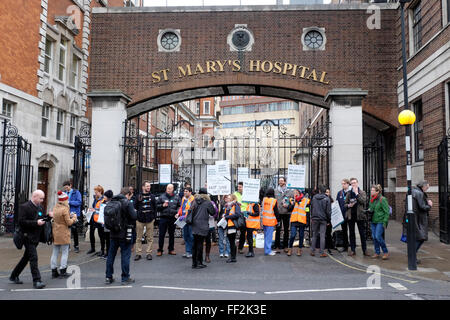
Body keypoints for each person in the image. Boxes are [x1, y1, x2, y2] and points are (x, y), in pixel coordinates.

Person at [10, 190, 49, 289]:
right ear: (35, 196)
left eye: (43, 198)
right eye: (41, 198)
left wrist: (48, 217)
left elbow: (43, 219)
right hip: (27, 237)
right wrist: (36, 223)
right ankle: (37, 280)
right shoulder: (25, 207)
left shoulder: (40, 207)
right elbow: (21, 222)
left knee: (26, 258)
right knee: (33, 258)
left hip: (36, 237)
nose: (42, 200)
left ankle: (14, 275)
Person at [105, 187, 137, 285]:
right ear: (127, 194)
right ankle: (125, 277)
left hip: (113, 233)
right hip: (124, 233)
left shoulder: (111, 201)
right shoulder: (127, 203)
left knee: (111, 255)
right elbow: (134, 217)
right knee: (125, 256)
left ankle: (108, 277)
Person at [50, 191, 77, 278]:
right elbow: (69, 223)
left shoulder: (55, 207)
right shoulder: (65, 209)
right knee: (65, 252)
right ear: (65, 200)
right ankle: (63, 270)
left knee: (55, 252)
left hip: (55, 231)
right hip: (64, 232)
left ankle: (54, 270)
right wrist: (74, 218)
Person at [189, 188, 215, 269]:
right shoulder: (207, 203)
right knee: (200, 244)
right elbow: (213, 212)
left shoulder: (194, 201)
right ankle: (199, 262)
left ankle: (194, 263)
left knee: (195, 244)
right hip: (203, 225)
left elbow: (190, 211)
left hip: (195, 224)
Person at [344, 178, 369, 257]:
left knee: (362, 233)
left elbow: (363, 201)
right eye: (352, 183)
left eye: (354, 183)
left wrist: (357, 194)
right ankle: (353, 250)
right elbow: (345, 204)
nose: (353, 184)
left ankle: (364, 250)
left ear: (357, 183)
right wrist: (348, 205)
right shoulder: (348, 193)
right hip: (351, 216)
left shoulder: (362, 192)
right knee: (351, 233)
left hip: (360, 216)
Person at [134, 181, 157, 261]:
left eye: (149, 186)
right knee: (139, 238)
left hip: (150, 219)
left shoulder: (152, 196)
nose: (149, 188)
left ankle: (149, 253)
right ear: (143, 187)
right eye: (147, 186)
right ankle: (138, 253)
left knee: (150, 238)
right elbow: (135, 206)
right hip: (140, 219)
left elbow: (155, 207)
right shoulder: (138, 196)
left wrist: (154, 217)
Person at [156, 184, 181, 256]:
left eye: (170, 188)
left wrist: (177, 212)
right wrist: (162, 206)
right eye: (167, 188)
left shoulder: (177, 197)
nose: (168, 190)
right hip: (163, 217)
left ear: (173, 189)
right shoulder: (162, 197)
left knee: (171, 234)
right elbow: (156, 207)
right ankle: (160, 250)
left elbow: (180, 206)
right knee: (161, 234)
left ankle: (171, 249)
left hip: (172, 218)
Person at [412, 181, 432, 259]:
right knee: (422, 237)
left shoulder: (412, 191)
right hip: (419, 219)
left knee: (416, 237)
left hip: (414, 218)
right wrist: (429, 205)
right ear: (423, 186)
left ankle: (413, 254)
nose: (427, 189)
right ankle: (413, 254)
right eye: (427, 187)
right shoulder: (419, 193)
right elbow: (422, 207)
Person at [368, 184, 390, 260]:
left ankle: (385, 252)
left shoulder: (382, 199)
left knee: (378, 236)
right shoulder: (372, 199)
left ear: (377, 191)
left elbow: (387, 212)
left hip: (380, 221)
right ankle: (377, 252)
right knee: (374, 237)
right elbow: (371, 208)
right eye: (371, 190)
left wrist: (385, 222)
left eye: (372, 190)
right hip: (373, 220)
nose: (371, 191)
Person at [310, 185, 331, 258]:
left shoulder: (314, 197)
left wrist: (312, 216)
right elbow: (328, 211)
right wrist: (329, 220)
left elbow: (312, 207)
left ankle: (312, 251)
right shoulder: (327, 199)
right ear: (325, 191)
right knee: (322, 235)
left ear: (319, 191)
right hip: (323, 219)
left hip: (315, 218)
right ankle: (322, 252)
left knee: (314, 234)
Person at [274, 177, 294, 252]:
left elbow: (293, 202)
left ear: (285, 182)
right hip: (278, 213)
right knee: (278, 229)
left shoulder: (290, 192)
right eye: (279, 181)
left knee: (286, 230)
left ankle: (286, 246)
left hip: (286, 212)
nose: (280, 182)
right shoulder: (275, 191)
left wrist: (288, 206)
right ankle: (277, 245)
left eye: (282, 181)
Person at [287, 189, 309, 257]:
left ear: (299, 193)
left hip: (302, 220)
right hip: (294, 220)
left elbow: (307, 211)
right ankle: (290, 248)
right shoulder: (292, 200)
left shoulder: (305, 201)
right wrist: (293, 203)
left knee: (301, 235)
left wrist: (307, 221)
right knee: (293, 235)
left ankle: (299, 249)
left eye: (296, 192)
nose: (295, 193)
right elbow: (289, 209)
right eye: (294, 192)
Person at [175, 186, 195, 259]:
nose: (185, 192)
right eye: (184, 191)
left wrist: (185, 216)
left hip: (189, 220)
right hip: (183, 220)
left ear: (190, 192)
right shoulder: (183, 198)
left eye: (186, 191)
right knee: (185, 236)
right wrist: (178, 213)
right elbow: (181, 207)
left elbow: (191, 210)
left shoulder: (193, 199)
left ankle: (192, 252)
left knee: (191, 236)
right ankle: (187, 251)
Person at [62, 181, 82, 253]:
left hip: (74, 214)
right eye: (65, 188)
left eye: (67, 187)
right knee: (66, 230)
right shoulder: (64, 193)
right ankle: (67, 246)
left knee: (74, 230)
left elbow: (79, 202)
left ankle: (76, 246)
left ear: (70, 185)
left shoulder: (76, 192)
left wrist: (69, 202)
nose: (66, 189)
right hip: (66, 213)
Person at [88, 185, 107, 257]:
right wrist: (91, 210)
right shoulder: (95, 198)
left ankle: (102, 250)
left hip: (99, 219)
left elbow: (103, 210)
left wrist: (94, 210)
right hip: (93, 218)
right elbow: (94, 207)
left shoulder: (103, 199)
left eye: (96, 192)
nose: (95, 193)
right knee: (91, 233)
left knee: (101, 235)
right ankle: (92, 248)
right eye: (95, 192)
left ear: (100, 192)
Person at [261, 188, 280, 256]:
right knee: (269, 237)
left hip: (264, 220)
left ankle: (267, 249)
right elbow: (276, 212)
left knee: (266, 236)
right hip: (270, 221)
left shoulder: (264, 199)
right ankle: (268, 251)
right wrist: (278, 220)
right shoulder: (274, 201)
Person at [224, 194, 241, 263]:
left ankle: (233, 257)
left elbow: (237, 214)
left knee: (232, 242)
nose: (227, 199)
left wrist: (227, 217)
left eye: (229, 198)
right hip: (229, 225)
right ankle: (233, 257)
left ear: (232, 198)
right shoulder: (228, 206)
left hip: (232, 225)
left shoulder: (235, 205)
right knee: (231, 241)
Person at [336, 179, 351, 253]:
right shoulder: (340, 193)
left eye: (344, 183)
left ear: (348, 184)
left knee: (351, 231)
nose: (343, 185)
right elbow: (337, 204)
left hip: (350, 215)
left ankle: (352, 247)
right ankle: (345, 247)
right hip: (342, 215)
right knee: (344, 231)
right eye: (342, 184)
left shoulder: (351, 192)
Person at [234, 182, 249, 254]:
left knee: (243, 232)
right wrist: (236, 203)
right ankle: (233, 247)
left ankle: (240, 248)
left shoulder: (248, 194)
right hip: (237, 213)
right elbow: (231, 201)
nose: (238, 188)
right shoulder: (235, 194)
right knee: (234, 230)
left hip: (245, 214)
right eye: (238, 187)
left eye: (240, 187)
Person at [324, 188, 336, 255]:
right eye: (326, 192)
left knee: (328, 233)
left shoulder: (331, 200)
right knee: (323, 234)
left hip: (330, 219)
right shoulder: (323, 200)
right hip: (324, 219)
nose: (327, 193)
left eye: (328, 192)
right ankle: (323, 247)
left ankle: (328, 247)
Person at [102, 190, 114, 259]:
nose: (104, 197)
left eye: (105, 196)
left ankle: (109, 253)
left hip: (109, 223)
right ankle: (107, 252)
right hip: (105, 223)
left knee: (109, 239)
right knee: (106, 238)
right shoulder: (104, 202)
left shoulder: (111, 204)